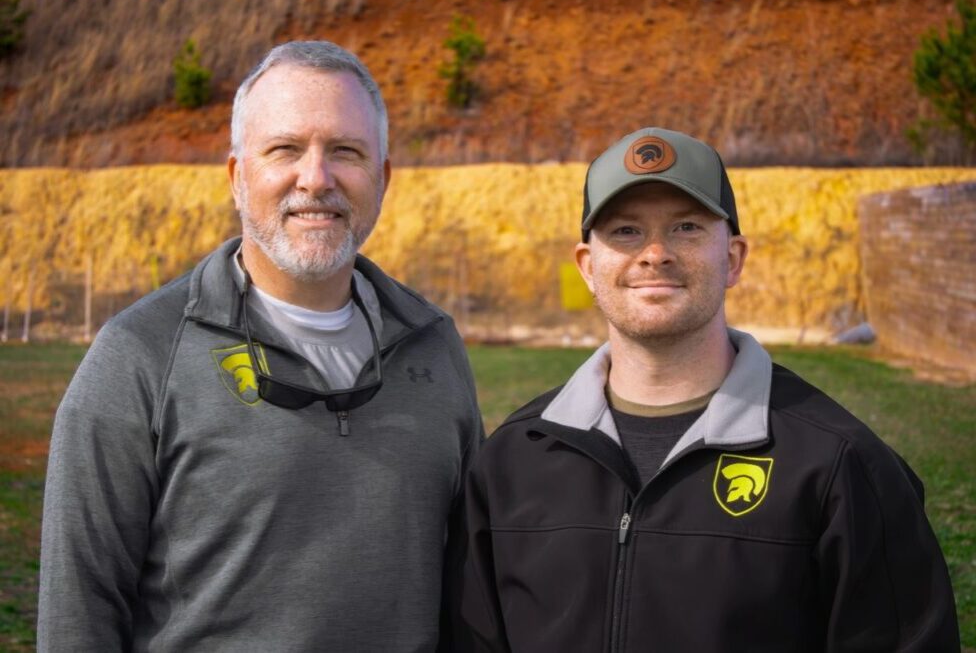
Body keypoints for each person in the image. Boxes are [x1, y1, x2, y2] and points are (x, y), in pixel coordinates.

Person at [38, 40, 483, 651]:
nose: (316, 178)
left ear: (382, 179)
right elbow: (77, 611)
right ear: (236, 175)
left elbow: (469, 584)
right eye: (285, 149)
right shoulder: (139, 355)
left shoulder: (434, 346)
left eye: (346, 152)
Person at [453, 128, 960, 651]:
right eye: (626, 231)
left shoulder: (841, 465)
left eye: (687, 227)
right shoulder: (512, 461)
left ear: (734, 258)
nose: (655, 253)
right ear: (587, 265)